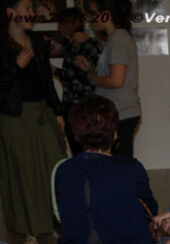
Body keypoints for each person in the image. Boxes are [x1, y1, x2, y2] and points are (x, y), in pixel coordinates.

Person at [52, 95, 157, 244]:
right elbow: (150, 209)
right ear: (114, 133)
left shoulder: (63, 171)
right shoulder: (131, 168)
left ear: (76, 135)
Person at [0, 0, 66, 244]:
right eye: (26, 8)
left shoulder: (37, 42)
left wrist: (58, 112)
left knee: (55, 169)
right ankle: (29, 233)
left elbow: (47, 82)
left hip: (42, 114)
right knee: (24, 176)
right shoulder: (2, 45)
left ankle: (56, 226)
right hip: (14, 119)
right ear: (10, 12)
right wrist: (17, 66)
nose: (32, 13)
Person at [75, 0, 140, 158]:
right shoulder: (115, 38)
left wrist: (93, 79)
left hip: (121, 112)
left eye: (93, 13)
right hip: (119, 112)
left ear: (106, 14)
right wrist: (90, 70)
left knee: (119, 165)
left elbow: (116, 80)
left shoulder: (118, 38)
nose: (91, 18)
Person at [54, 7, 101, 155]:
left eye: (61, 24)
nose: (59, 28)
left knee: (86, 149)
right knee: (80, 149)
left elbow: (84, 75)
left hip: (84, 107)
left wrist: (54, 71)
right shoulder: (74, 45)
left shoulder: (90, 45)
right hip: (74, 105)